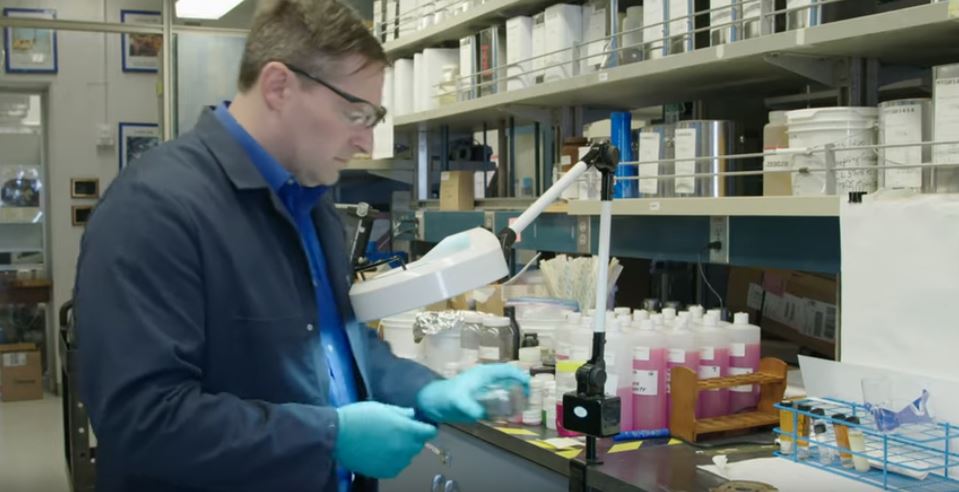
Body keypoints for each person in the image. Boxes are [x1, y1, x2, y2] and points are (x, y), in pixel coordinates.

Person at [73, 1, 529, 491]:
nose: (367, 143)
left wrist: (431, 389)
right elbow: (143, 420)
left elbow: (339, 345)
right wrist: (329, 437)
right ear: (278, 87)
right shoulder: (155, 209)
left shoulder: (311, 207)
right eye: (355, 113)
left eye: (373, 117)